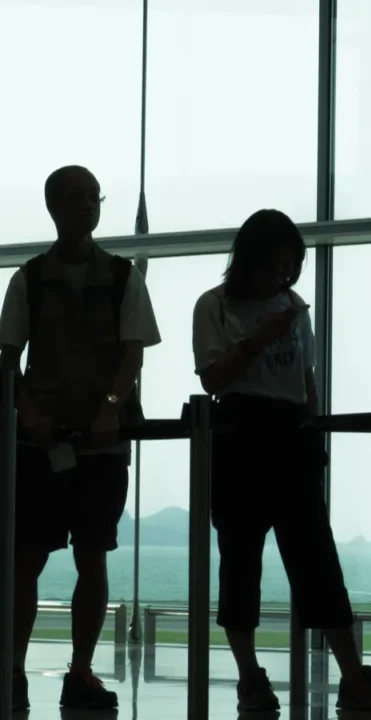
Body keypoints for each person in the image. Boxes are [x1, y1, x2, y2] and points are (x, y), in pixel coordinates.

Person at [192, 209, 371, 715]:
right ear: (249, 262)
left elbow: (306, 377)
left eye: (291, 266)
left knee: (317, 561)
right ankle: (250, 676)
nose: (284, 277)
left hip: (291, 436)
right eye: (275, 266)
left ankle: (353, 676)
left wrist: (314, 433)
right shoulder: (215, 306)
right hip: (239, 435)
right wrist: (258, 339)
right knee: (239, 562)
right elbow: (213, 379)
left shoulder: (294, 307)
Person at [1, 166, 160, 712]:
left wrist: (111, 409)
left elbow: (133, 354)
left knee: (91, 556)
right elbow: (7, 360)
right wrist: (30, 414)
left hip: (98, 445)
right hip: (42, 443)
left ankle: (80, 670)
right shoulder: (28, 278)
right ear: (52, 206)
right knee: (27, 558)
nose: (87, 206)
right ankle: (15, 670)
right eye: (76, 198)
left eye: (93, 198)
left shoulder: (121, 277)